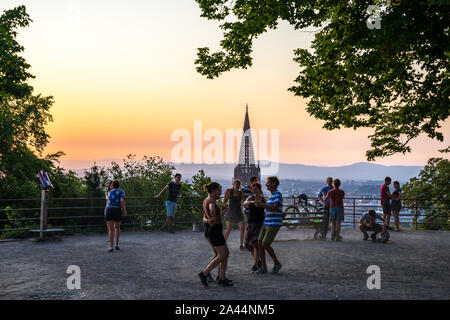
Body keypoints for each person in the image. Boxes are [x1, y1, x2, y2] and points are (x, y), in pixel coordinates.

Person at [198, 182, 232, 287]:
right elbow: (212, 209)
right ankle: (204, 273)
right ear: (213, 191)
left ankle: (222, 277)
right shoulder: (211, 201)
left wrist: (221, 212)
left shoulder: (206, 199)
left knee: (225, 253)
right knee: (221, 255)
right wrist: (215, 215)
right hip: (215, 230)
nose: (220, 192)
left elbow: (209, 216)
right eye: (219, 190)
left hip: (215, 230)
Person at [254, 176, 283, 274]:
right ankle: (264, 267)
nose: (266, 184)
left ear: (273, 184)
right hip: (266, 222)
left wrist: (261, 205)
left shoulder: (277, 194)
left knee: (265, 244)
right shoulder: (271, 195)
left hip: (273, 223)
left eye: (268, 183)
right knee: (259, 243)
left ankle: (277, 263)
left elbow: (275, 208)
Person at [243, 181, 265, 273]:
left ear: (260, 190)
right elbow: (245, 203)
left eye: (256, 189)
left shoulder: (263, 199)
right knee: (248, 245)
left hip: (259, 224)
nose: (254, 190)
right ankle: (259, 262)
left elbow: (266, 207)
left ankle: (255, 265)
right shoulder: (250, 198)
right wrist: (252, 201)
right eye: (253, 189)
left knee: (256, 245)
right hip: (250, 223)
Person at [223, 179, 247, 250]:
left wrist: (247, 203)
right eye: (236, 184)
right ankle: (223, 244)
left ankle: (241, 245)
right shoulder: (229, 191)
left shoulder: (241, 193)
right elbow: (224, 201)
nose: (237, 186)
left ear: (240, 186)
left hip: (238, 212)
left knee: (242, 228)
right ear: (233, 185)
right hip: (230, 211)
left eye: (238, 185)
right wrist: (224, 208)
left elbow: (245, 201)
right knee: (229, 228)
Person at [105, 180, 127, 251]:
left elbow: (107, 199)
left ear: (112, 185)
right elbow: (122, 201)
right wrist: (124, 210)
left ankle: (111, 246)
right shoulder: (121, 192)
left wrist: (106, 194)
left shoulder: (108, 192)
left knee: (111, 230)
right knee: (117, 228)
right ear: (119, 185)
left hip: (109, 209)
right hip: (117, 210)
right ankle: (116, 244)